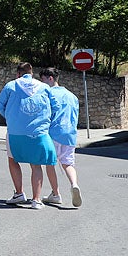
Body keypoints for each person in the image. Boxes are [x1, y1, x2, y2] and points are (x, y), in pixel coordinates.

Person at [0, 62, 58, 210]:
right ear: (32, 73)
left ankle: (19, 193)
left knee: (12, 160)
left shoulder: (11, 86)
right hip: (39, 131)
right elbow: (55, 106)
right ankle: (36, 199)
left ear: (18, 73)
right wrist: (46, 121)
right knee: (36, 164)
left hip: (15, 131)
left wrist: (9, 117)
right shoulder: (43, 87)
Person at [40, 67, 82, 208]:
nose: (43, 83)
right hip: (70, 134)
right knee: (68, 163)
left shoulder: (48, 93)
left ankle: (56, 194)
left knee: (50, 163)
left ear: (50, 78)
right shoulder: (72, 96)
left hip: (53, 132)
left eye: (43, 79)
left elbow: (45, 113)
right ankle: (74, 185)